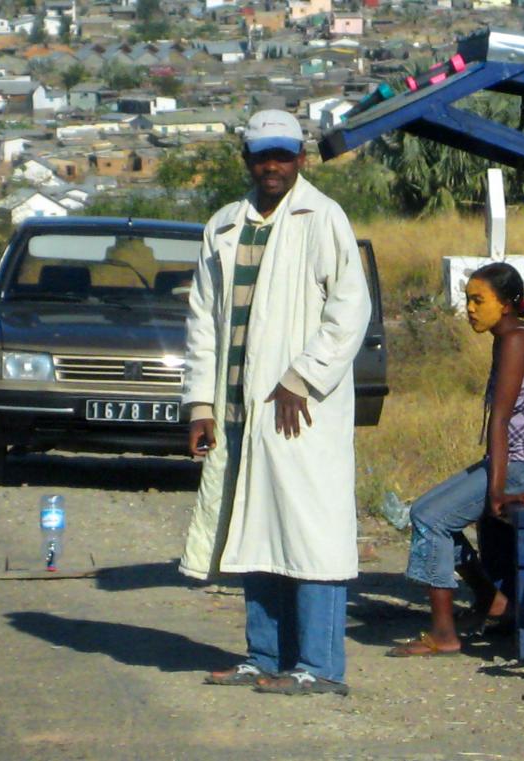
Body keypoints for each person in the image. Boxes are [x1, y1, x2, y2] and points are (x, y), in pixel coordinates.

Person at [179, 110, 372, 696]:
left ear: (300, 160)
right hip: (238, 406)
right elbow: (203, 323)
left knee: (311, 532)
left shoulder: (323, 218)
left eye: (283, 155)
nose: (273, 165)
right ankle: (264, 656)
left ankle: (319, 666)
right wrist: (200, 405)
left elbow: (349, 311)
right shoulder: (222, 227)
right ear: (248, 159)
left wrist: (302, 378)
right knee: (254, 527)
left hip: (300, 408)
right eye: (263, 155)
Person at [388, 262, 524, 657]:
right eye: (467, 299)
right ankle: (492, 598)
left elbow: (501, 419)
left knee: (431, 519)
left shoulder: (516, 340)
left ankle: (443, 633)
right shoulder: (507, 335)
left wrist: (497, 491)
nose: (470, 309)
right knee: (424, 510)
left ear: (506, 304)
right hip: (522, 461)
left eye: (478, 300)